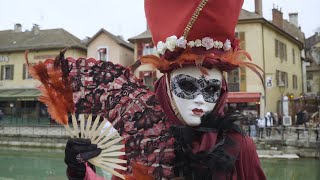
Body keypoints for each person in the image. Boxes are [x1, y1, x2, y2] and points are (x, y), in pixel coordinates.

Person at [32, 0, 266, 179]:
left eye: (211, 89)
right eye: (186, 85)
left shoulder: (240, 146)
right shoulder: (139, 142)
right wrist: (82, 169)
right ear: (165, 86)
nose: (200, 100)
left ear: (223, 90)